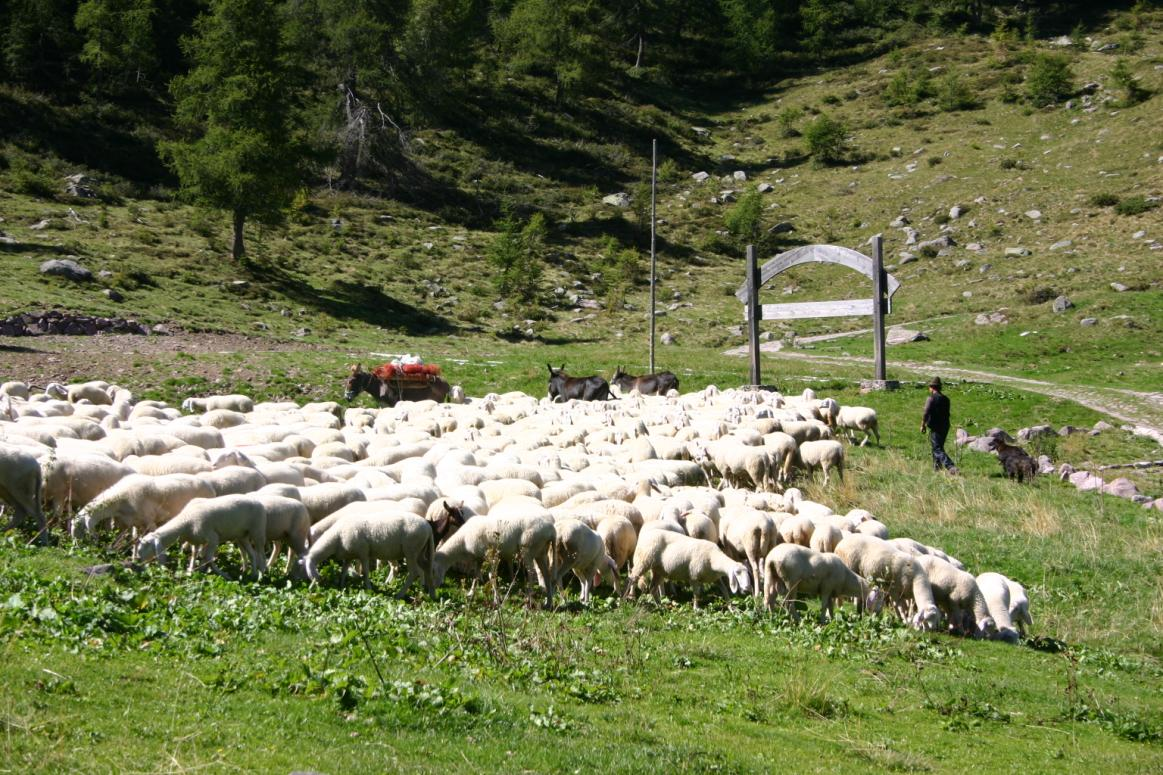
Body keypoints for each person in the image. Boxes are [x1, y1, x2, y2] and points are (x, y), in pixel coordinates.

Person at [921, 377, 959, 474]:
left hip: (936, 426)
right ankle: (937, 469)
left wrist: (923, 425)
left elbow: (926, 412)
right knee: (938, 447)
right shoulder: (946, 399)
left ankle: (951, 467)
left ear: (931, 387)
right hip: (945, 425)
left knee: (937, 448)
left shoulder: (931, 398)